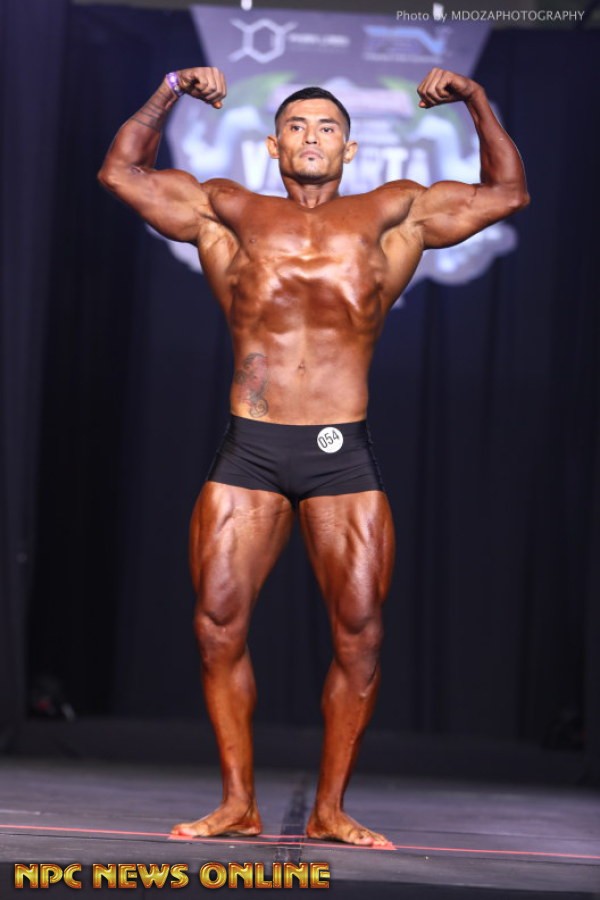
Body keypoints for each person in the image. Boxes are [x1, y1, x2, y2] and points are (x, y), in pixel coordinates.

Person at [98, 65, 529, 847]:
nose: (311, 137)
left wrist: (474, 98)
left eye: (327, 128)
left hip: (340, 450)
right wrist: (169, 89)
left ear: (349, 149)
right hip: (252, 447)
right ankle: (238, 804)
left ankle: (331, 809)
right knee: (216, 623)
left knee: (360, 631)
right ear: (273, 145)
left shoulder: (392, 213)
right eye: (296, 126)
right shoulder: (229, 210)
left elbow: (507, 194)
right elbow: (120, 173)